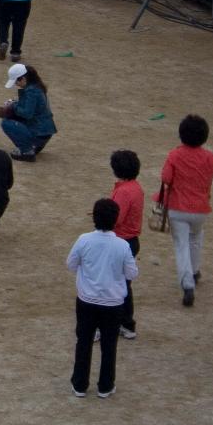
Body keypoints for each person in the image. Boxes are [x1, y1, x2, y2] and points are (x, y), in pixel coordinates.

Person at [157, 114, 213, 307]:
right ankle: (195, 271)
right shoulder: (209, 157)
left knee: (181, 245)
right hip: (200, 210)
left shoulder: (174, 155)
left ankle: (187, 284)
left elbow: (165, 178)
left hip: (177, 208)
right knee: (196, 238)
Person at [67, 198, 137, 398]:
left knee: (84, 341)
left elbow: (71, 264)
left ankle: (79, 384)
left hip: (87, 299)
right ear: (116, 220)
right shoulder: (122, 246)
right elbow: (132, 273)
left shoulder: (84, 240)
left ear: (94, 219)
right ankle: (105, 386)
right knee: (109, 344)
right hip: (113, 303)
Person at [108, 149, 143, 337]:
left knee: (110, 283)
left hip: (120, 241)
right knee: (124, 284)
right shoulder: (136, 187)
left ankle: (106, 324)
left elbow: (116, 219)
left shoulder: (123, 191)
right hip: (131, 240)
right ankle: (127, 323)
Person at [0, 63, 57, 162]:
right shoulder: (36, 88)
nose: (16, 84)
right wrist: (15, 104)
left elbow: (27, 113)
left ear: (23, 78)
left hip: (39, 132)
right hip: (43, 133)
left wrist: (13, 106)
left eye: (17, 81)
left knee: (6, 122)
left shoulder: (32, 92)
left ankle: (26, 150)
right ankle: (32, 147)